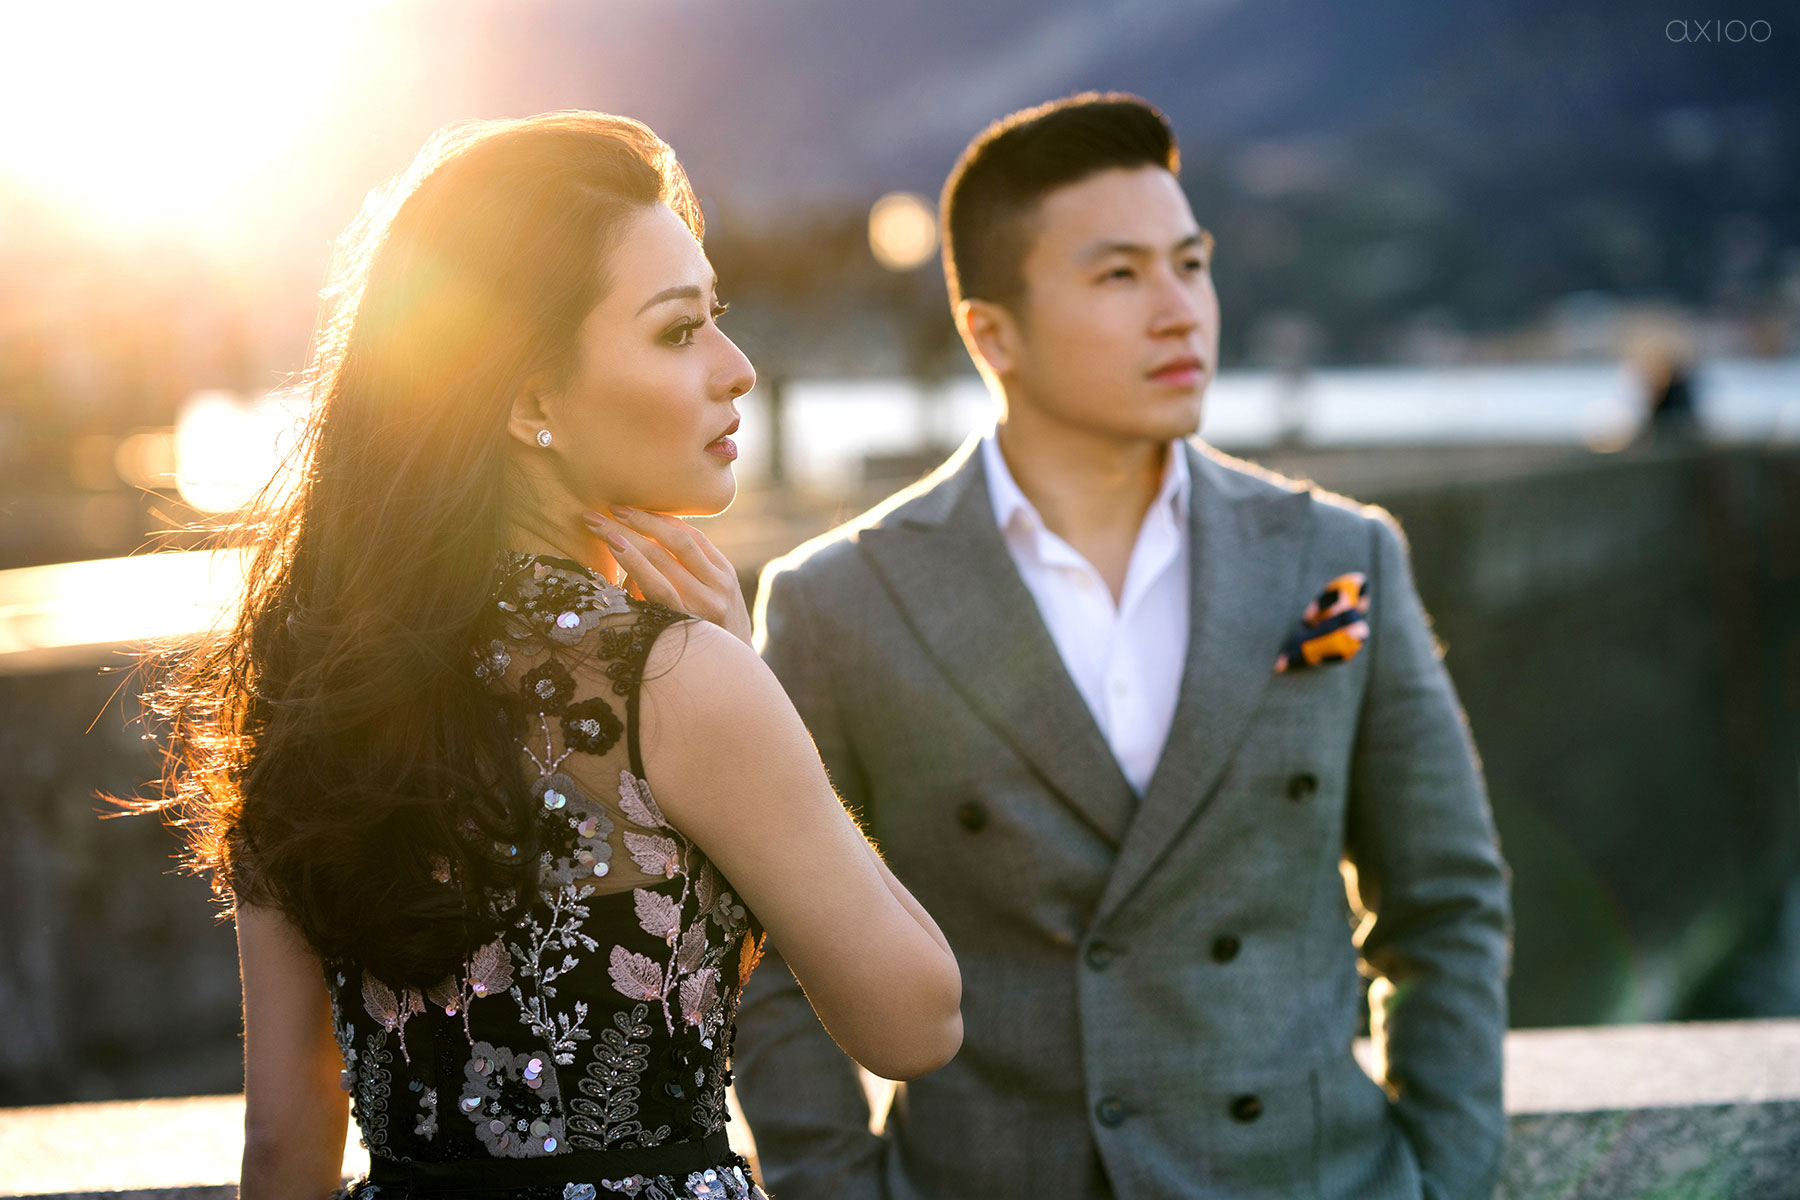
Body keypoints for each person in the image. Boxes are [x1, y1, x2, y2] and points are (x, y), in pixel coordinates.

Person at [132, 111, 960, 1200]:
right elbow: (917, 1021)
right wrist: (750, 680)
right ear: (530, 401)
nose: (738, 369)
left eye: (716, 319)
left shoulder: (307, 681)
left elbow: (285, 1143)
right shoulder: (676, 680)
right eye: (678, 332)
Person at [728, 93, 1513, 1199]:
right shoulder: (842, 601)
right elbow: (772, 952)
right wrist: (835, 1187)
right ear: (992, 333)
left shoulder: (1336, 556)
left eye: (1191, 265)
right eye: (1119, 276)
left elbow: (1444, 902)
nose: (1181, 312)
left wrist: (1444, 1178)